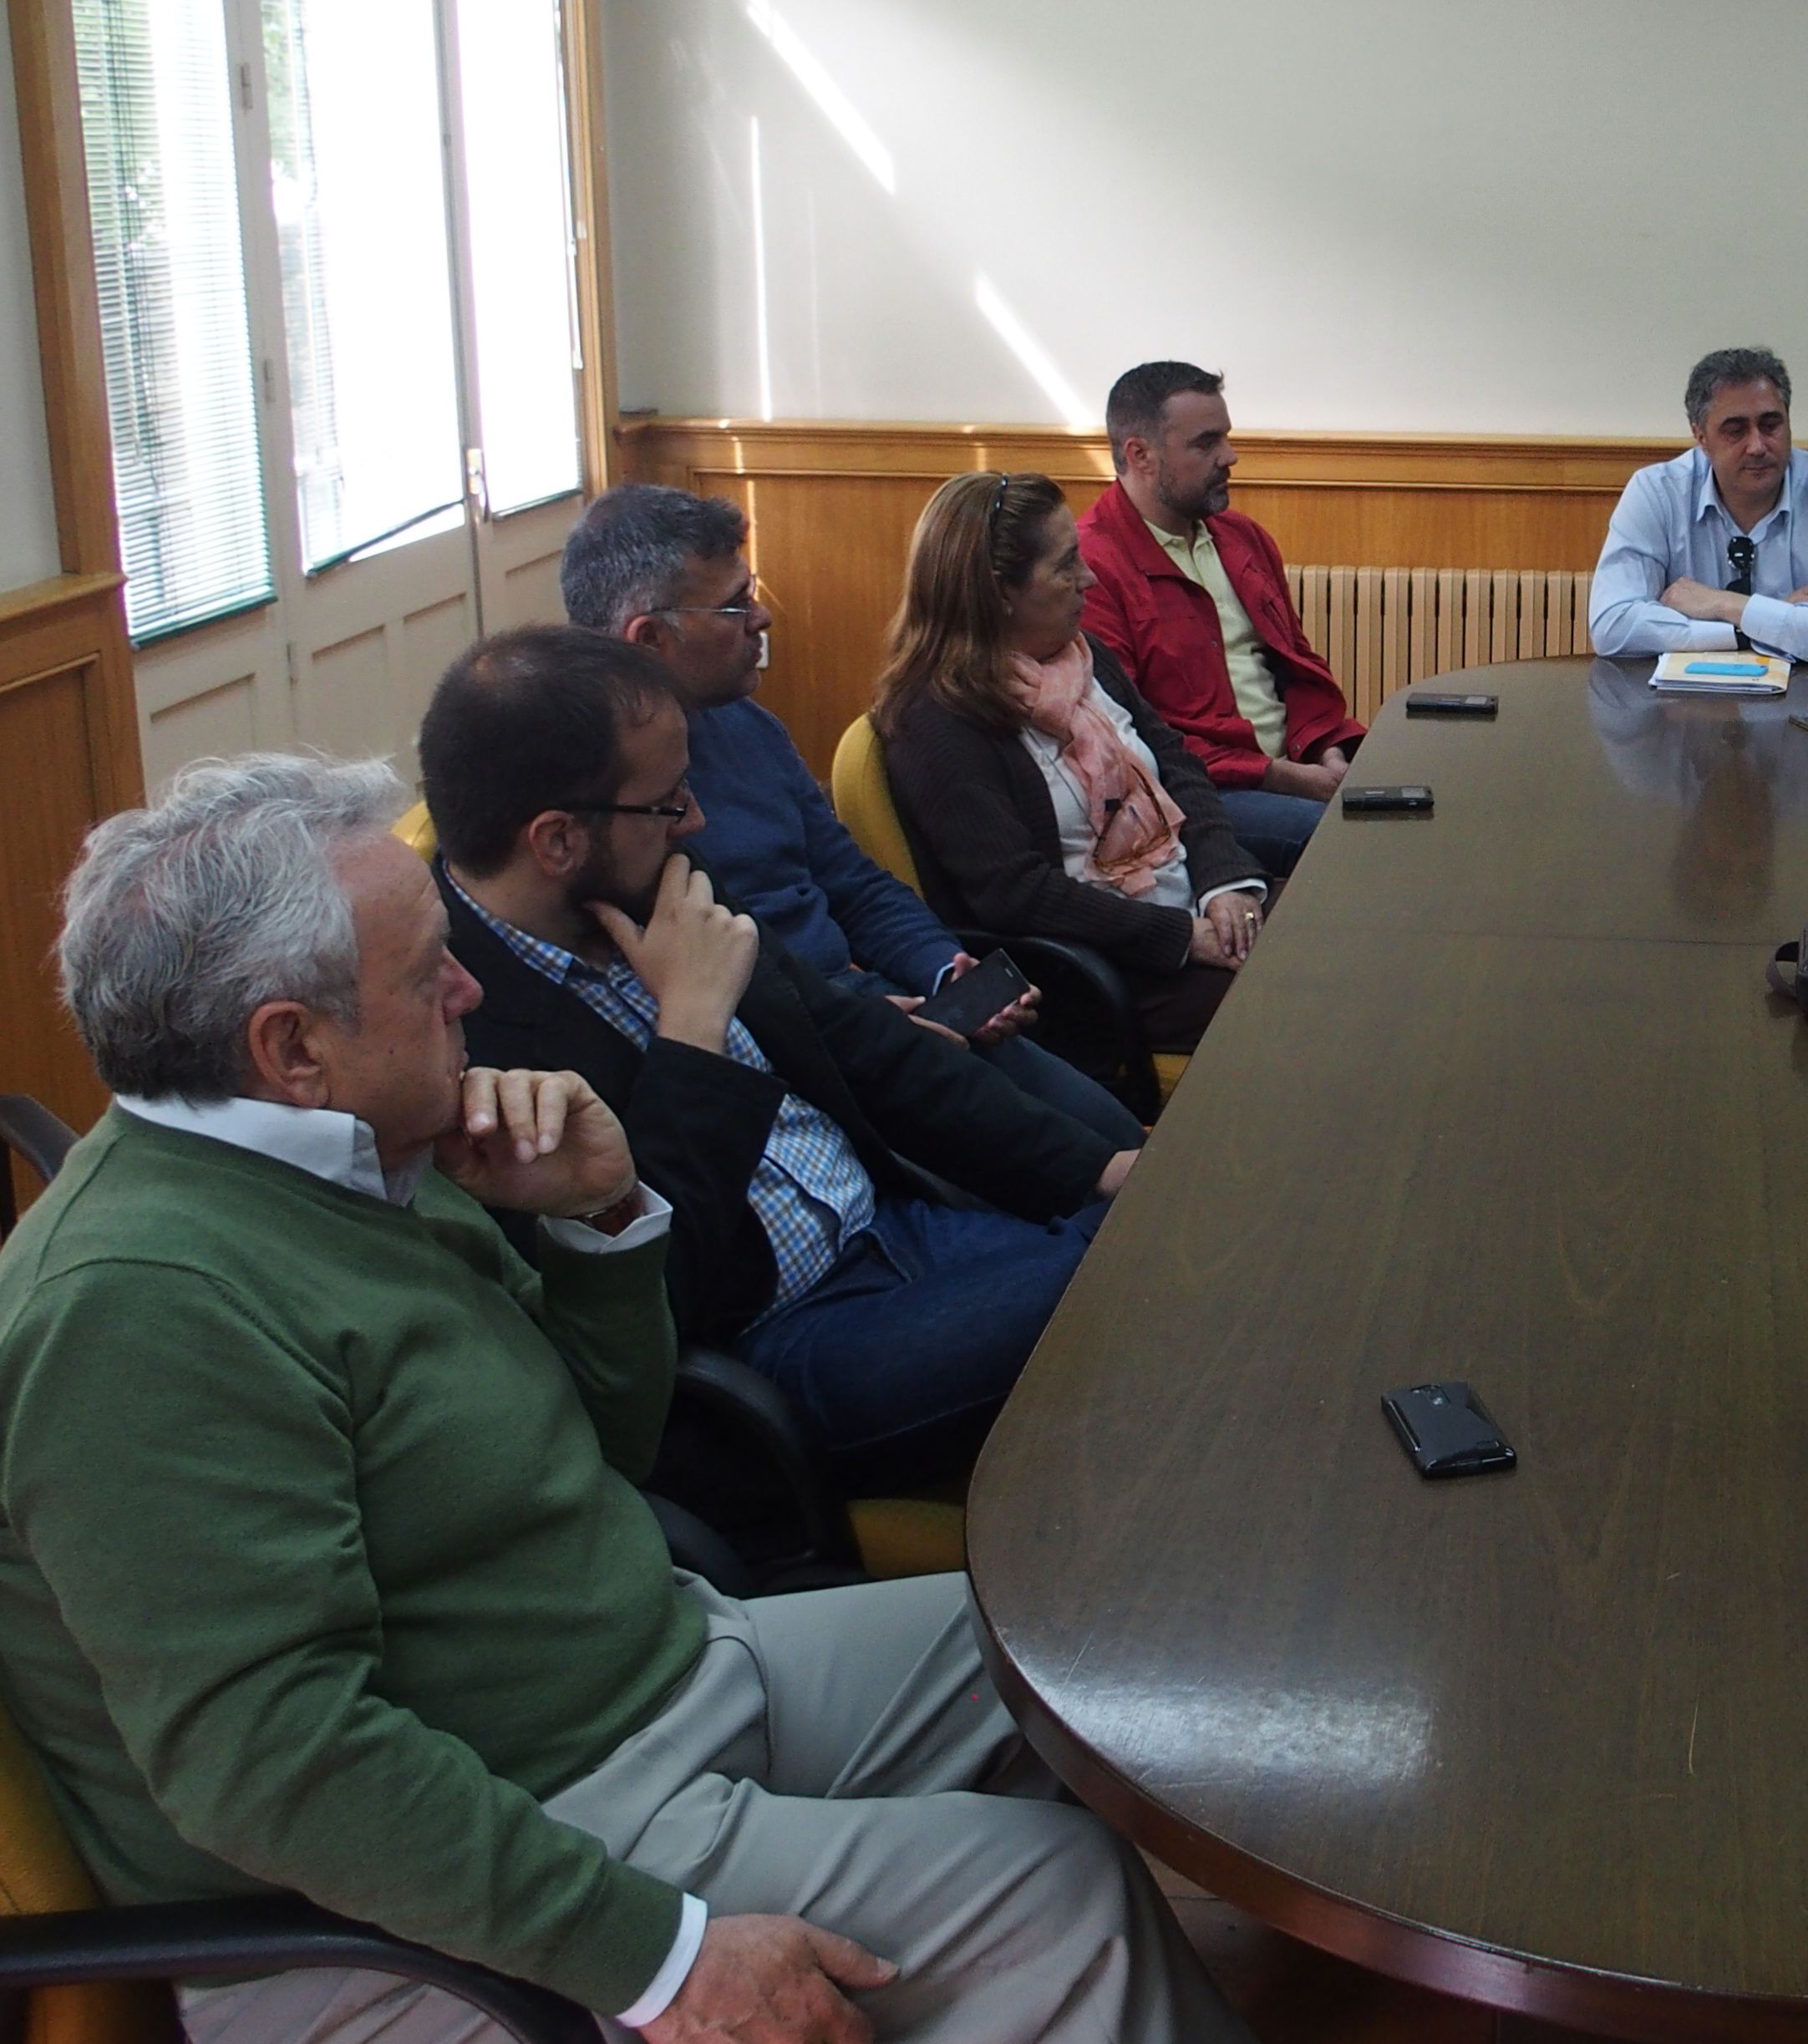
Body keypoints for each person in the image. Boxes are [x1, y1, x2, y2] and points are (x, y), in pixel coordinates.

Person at [3, 753, 1255, 2044]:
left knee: (1086, 1651)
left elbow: (604, 1445)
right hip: (491, 1855)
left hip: (654, 1675)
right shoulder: (135, 1310)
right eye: (428, 971)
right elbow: (272, 1769)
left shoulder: (368, 1153)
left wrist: (602, 1218)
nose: (469, 991)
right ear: (291, 1046)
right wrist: (661, 1962)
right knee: (1066, 1906)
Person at [423, 628, 1136, 1491]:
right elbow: (650, 1303)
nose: (695, 820)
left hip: (895, 1226)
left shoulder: (650, 878)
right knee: (1143, 1284)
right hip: (783, 1341)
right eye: (667, 802)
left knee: (1164, 1221)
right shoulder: (455, 1038)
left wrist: (1102, 1167)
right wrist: (691, 1027)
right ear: (557, 841)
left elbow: (869, 1048)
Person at [560, 481, 1144, 1152]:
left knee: (1117, 1141)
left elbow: (851, 882)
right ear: (651, 638)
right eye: (735, 605)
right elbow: (684, 995)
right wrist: (857, 1020)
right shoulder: (600, 802)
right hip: (786, 1056)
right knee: (1089, 1181)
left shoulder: (749, 726)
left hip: (887, 1011)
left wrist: (942, 969)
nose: (762, 619)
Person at [878, 471, 1267, 1055]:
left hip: (1186, 912)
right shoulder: (936, 721)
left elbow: (1178, 766)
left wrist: (1224, 886)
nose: (1087, 579)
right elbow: (1016, 894)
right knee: (1313, 1007)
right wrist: (1185, 936)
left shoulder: (1082, 657)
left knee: (1351, 931)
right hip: (1110, 972)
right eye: (1065, 566)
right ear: (997, 592)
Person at [1077, 361, 1367, 877]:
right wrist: (1285, 777)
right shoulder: (1092, 567)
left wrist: (1326, 749)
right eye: (1206, 443)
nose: (1229, 457)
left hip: (1295, 765)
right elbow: (1132, 739)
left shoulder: (1243, 538)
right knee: (1351, 844)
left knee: (1430, 799)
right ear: (1139, 455)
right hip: (1202, 792)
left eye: (1226, 438)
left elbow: (1295, 669)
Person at [1588, 346, 1808, 666]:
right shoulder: (1657, 493)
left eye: (1771, 425)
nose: (1758, 446)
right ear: (1701, 436)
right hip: (1684, 709)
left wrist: (1727, 605)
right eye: (1736, 431)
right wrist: (1758, 626)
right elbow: (1612, 626)